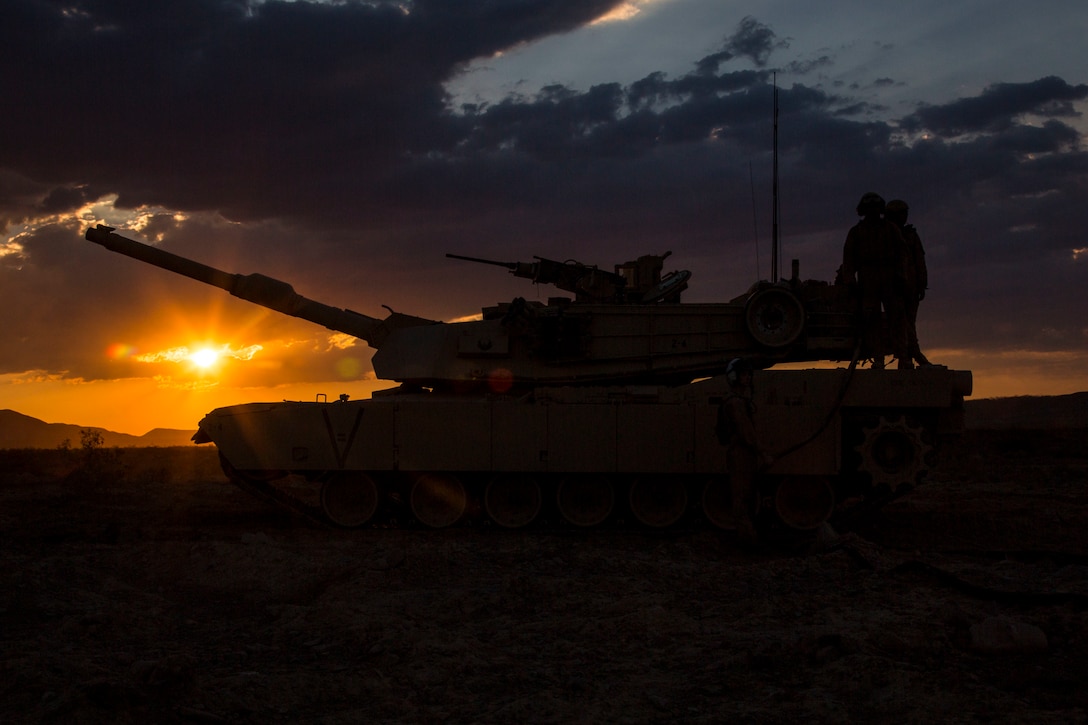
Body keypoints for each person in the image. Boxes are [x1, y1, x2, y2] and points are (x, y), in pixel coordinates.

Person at [840, 192, 911, 369]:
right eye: (869, 208)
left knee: (897, 319)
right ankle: (878, 358)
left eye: (875, 208)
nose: (873, 212)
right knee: (872, 321)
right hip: (867, 278)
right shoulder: (856, 233)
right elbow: (848, 259)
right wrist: (850, 281)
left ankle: (903, 357)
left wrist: (902, 276)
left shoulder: (891, 229)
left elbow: (902, 254)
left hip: (890, 278)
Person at [716, 358, 771, 541]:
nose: (747, 378)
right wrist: (763, 453)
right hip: (741, 454)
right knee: (742, 498)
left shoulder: (738, 401)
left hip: (744, 454)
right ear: (734, 377)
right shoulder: (735, 403)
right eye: (744, 374)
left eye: (748, 374)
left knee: (746, 496)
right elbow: (747, 433)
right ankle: (746, 538)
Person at [884, 199, 931, 366]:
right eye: (902, 213)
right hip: (893, 288)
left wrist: (921, 284)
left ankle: (910, 355)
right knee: (900, 322)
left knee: (908, 322)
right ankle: (907, 356)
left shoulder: (911, 235)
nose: (905, 217)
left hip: (910, 287)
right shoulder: (885, 235)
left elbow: (919, 260)